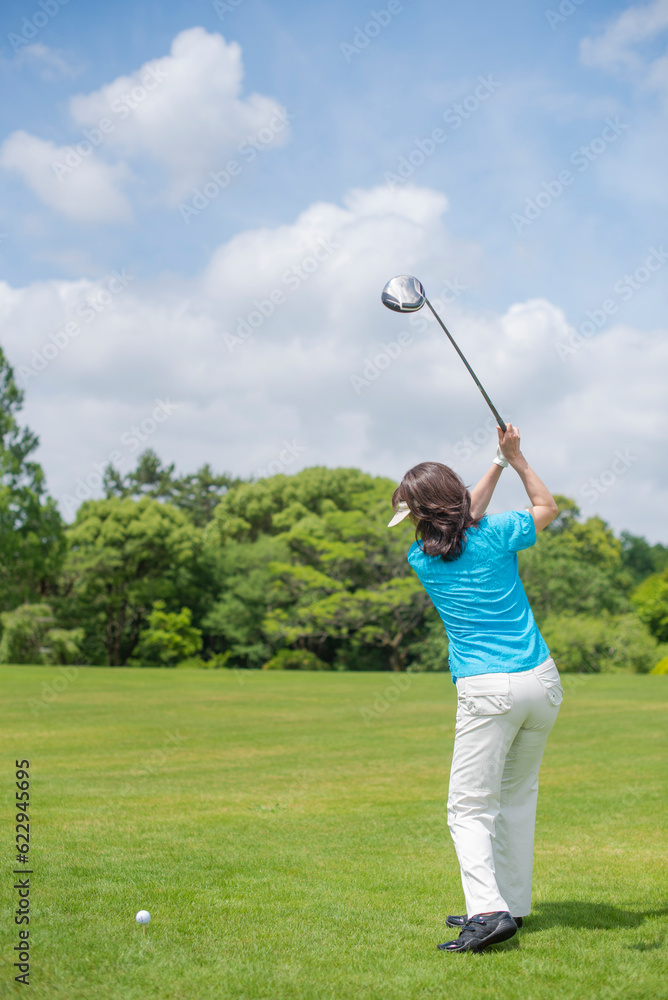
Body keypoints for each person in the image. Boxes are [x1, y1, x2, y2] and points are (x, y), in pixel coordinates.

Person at [388, 423, 563, 954]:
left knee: (468, 808)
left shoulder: (422, 557)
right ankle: (512, 904)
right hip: (542, 683)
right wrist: (514, 459)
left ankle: (487, 911)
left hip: (488, 692)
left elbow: (462, 517)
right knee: (515, 798)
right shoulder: (499, 532)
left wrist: (499, 461)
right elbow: (546, 507)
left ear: (422, 516)